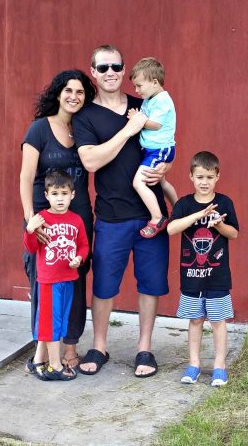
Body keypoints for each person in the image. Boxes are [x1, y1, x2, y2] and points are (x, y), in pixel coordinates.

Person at [73, 44, 169, 378]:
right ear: (93, 72)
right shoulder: (85, 116)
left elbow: (166, 140)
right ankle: (99, 346)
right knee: (104, 285)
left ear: (123, 69)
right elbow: (90, 161)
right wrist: (129, 129)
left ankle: (145, 348)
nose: (111, 73)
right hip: (112, 214)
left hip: (149, 212)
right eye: (103, 68)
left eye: (116, 67)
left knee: (150, 283)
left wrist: (164, 169)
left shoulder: (144, 104)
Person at [19, 69, 95, 376]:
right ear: (58, 93)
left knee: (75, 278)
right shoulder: (40, 129)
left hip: (78, 218)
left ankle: (70, 345)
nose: (74, 97)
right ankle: (42, 348)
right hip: (45, 219)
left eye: (80, 92)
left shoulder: (85, 131)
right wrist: (31, 221)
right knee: (44, 281)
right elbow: (26, 177)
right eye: (69, 91)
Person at [166, 151, 239, 387]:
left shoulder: (225, 202)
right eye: (199, 177)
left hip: (217, 278)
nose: (204, 182)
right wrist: (200, 214)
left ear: (217, 176)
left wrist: (218, 224)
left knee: (218, 322)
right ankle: (193, 364)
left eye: (209, 177)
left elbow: (234, 233)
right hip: (191, 278)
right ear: (191, 176)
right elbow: (171, 228)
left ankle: (220, 366)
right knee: (195, 320)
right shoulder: (184, 204)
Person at [23, 170, 90, 381]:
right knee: (51, 323)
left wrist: (79, 258)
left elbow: (83, 245)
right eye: (54, 193)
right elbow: (31, 248)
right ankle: (54, 366)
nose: (59, 198)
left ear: (72, 195)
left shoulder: (76, 220)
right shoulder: (41, 218)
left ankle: (37, 361)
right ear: (46, 195)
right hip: (49, 279)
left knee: (55, 321)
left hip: (68, 278)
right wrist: (30, 230)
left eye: (64, 193)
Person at [127, 57, 179, 238]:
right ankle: (179, 208)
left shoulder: (162, 100)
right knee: (161, 182)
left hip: (159, 150)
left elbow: (156, 124)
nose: (136, 90)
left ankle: (157, 218)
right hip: (153, 149)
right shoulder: (152, 98)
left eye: (139, 86)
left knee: (138, 182)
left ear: (155, 82)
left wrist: (137, 119)